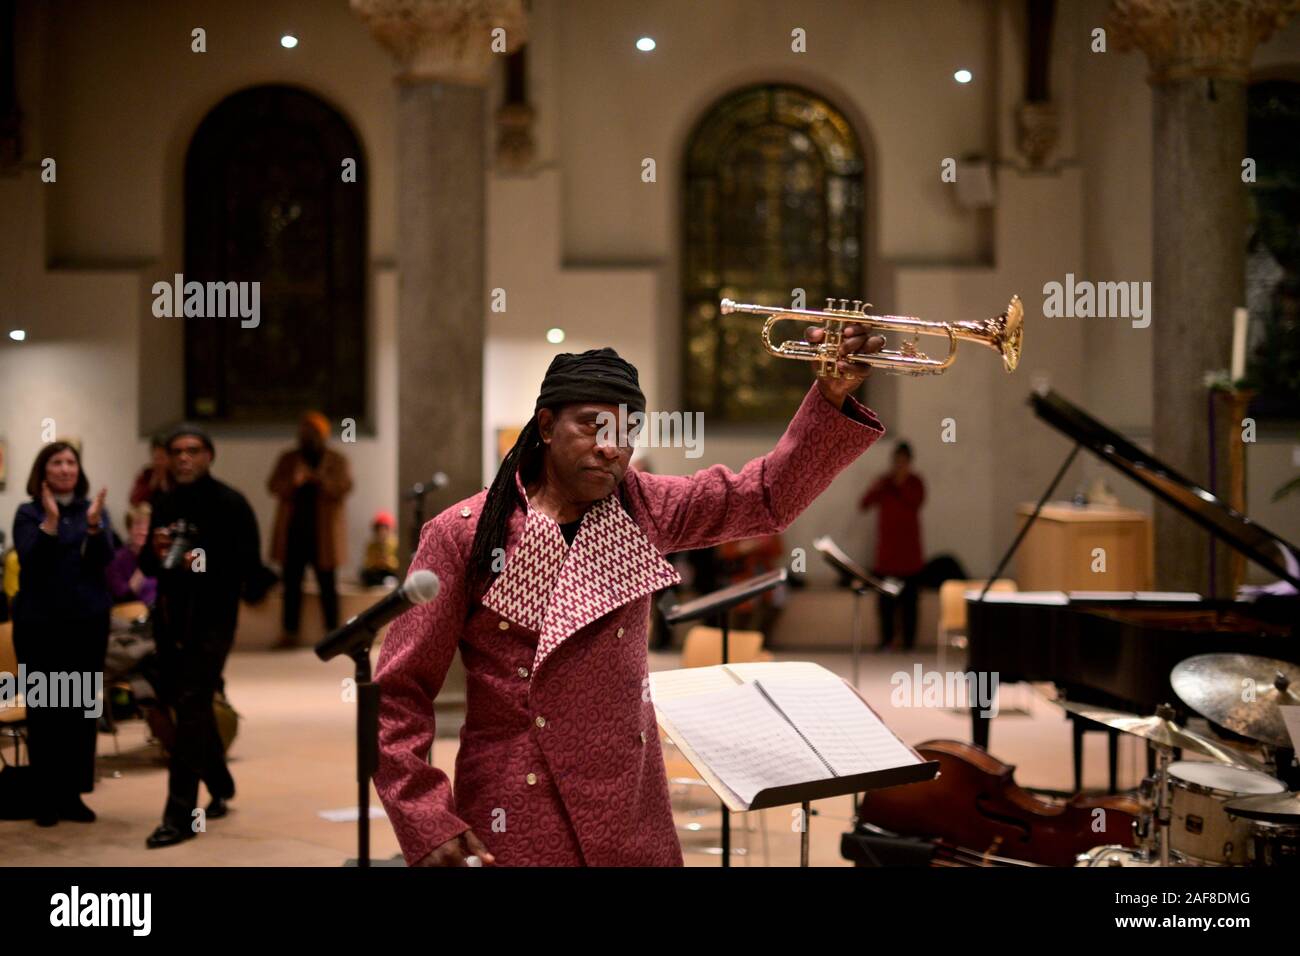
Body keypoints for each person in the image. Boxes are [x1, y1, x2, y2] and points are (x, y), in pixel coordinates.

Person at [375, 326, 887, 867]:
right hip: (517, 808)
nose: (610, 447)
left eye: (626, 431)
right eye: (593, 426)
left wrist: (830, 395)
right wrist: (427, 819)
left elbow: (764, 495)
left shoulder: (641, 507)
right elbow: (397, 692)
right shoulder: (466, 532)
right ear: (546, 426)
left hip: (630, 815)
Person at [138, 424, 263, 848]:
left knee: (192, 704)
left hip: (212, 622)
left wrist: (202, 562)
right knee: (187, 705)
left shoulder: (230, 503)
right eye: (176, 451)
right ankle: (222, 783)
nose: (185, 458)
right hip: (171, 620)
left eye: (193, 450)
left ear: (210, 455)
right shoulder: (165, 503)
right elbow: (151, 567)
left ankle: (180, 817)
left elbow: (250, 569)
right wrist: (156, 555)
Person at [10, 442, 115, 827]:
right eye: (57, 462)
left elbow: (105, 560)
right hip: (41, 625)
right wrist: (51, 523)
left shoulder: (92, 512)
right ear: (43, 471)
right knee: (47, 710)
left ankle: (73, 795)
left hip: (86, 623)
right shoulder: (28, 512)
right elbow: (31, 559)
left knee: (79, 710)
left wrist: (93, 526)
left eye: (71, 462)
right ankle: (45, 797)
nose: (66, 468)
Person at [267, 412, 353, 649]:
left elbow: (345, 486)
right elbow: (273, 486)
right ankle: (289, 633)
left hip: (323, 535)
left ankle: (334, 635)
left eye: (313, 432)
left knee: (328, 585)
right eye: (304, 431)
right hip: (294, 532)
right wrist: (294, 482)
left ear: (322, 435)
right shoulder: (288, 459)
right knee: (291, 585)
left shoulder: (336, 459)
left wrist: (317, 478)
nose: (307, 436)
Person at [859, 440, 926, 650]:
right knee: (885, 604)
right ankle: (886, 641)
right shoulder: (884, 482)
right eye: (896, 461)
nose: (899, 466)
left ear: (910, 462)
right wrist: (877, 485)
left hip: (910, 556)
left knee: (910, 604)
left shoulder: (916, 483)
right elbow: (864, 504)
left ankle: (908, 643)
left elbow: (916, 501)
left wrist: (900, 483)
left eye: (903, 462)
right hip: (887, 556)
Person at [105, 502, 157, 606]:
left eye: (147, 526)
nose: (143, 531)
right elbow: (123, 597)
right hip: (131, 614)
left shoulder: (158, 556)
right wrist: (143, 564)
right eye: (138, 525)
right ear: (129, 529)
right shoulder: (116, 559)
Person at [128, 433, 171, 506]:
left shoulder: (175, 475)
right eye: (156, 458)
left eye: (162, 458)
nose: (158, 463)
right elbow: (133, 500)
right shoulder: (147, 474)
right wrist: (150, 486)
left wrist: (165, 486)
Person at [360, 510, 399, 587]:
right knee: (364, 574)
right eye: (379, 529)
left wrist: (388, 561)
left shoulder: (395, 544)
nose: (381, 532)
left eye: (384, 529)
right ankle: (382, 582)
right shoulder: (371, 545)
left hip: (390, 571)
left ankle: (388, 581)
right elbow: (367, 563)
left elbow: (399, 563)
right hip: (377, 571)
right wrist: (375, 562)